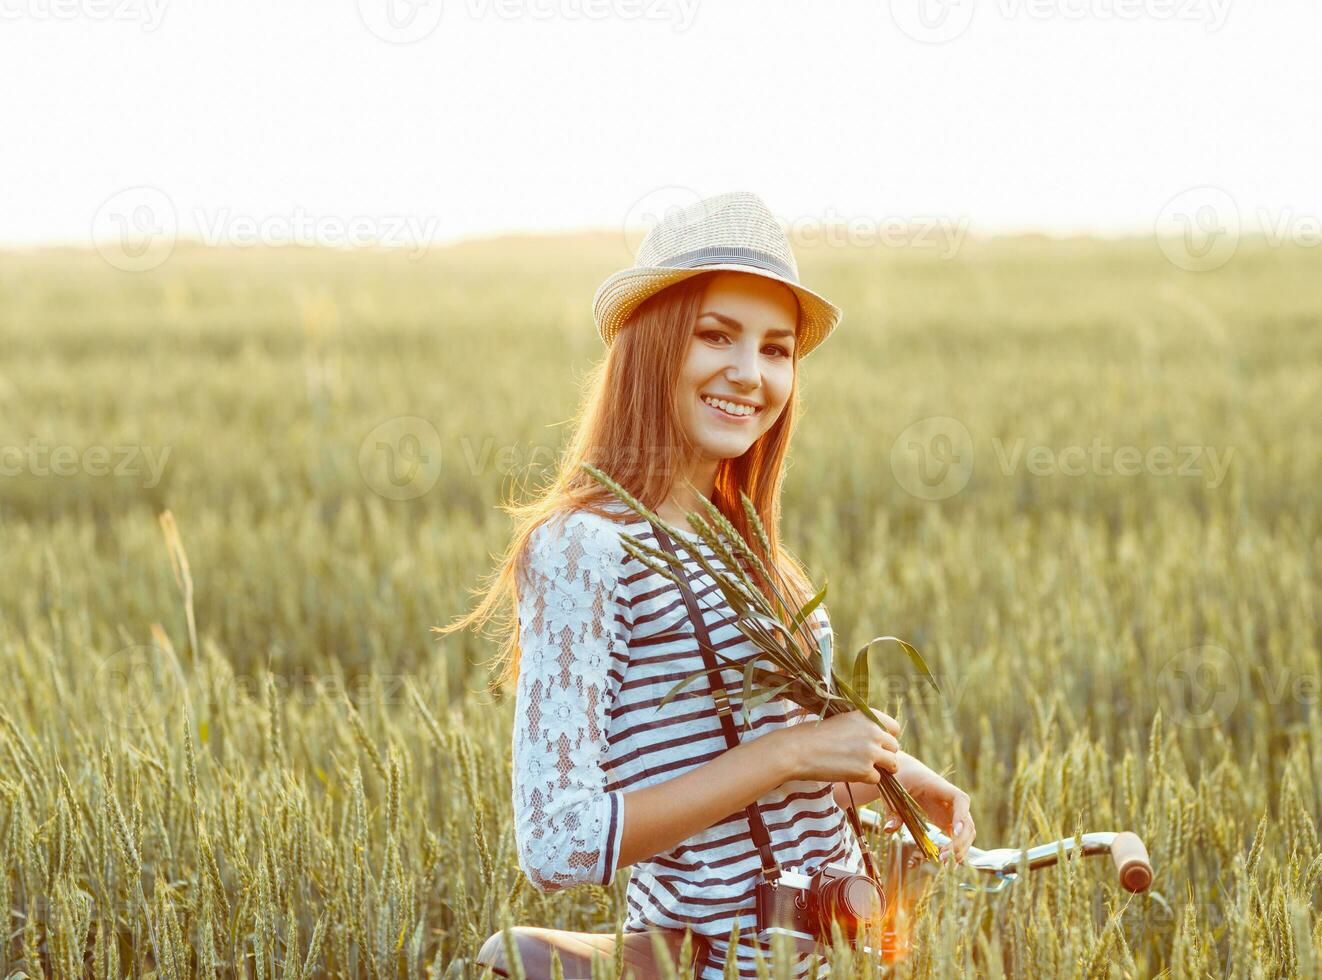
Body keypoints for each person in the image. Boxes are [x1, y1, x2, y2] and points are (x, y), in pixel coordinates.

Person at [439, 191, 976, 978]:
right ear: (654, 345)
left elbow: (756, 786)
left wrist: (889, 777)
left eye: (776, 349)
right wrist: (794, 752)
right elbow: (557, 841)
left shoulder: (752, 544)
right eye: (716, 336)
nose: (748, 373)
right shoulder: (585, 548)